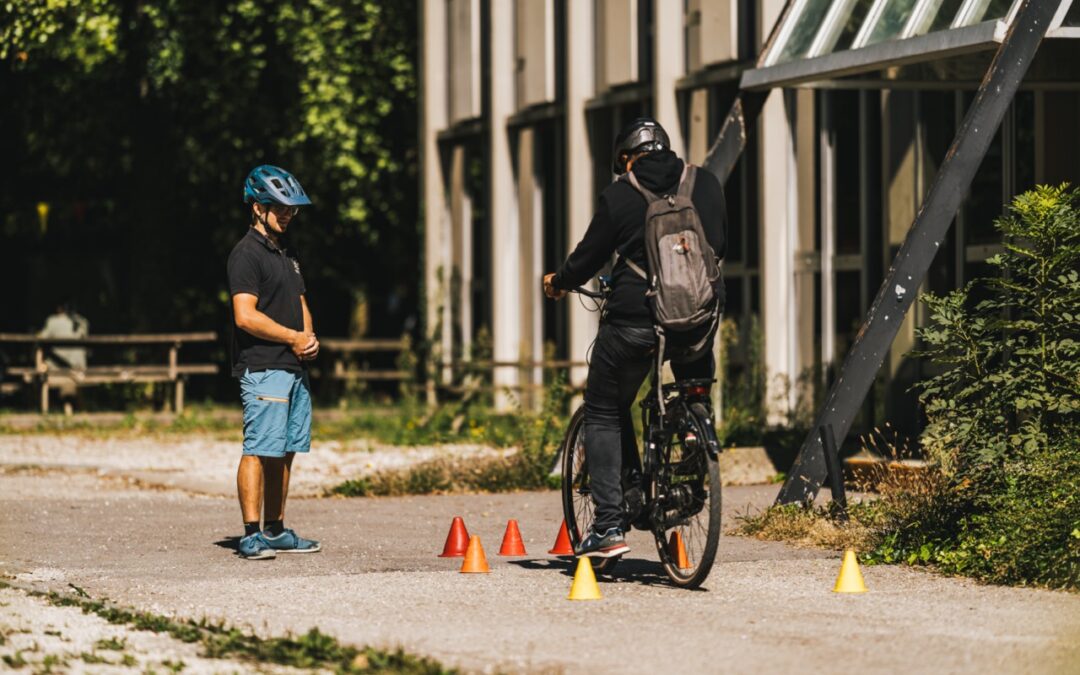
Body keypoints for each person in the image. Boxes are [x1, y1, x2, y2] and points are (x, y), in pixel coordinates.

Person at [543, 117, 727, 558]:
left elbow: (588, 257)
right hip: (697, 318)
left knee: (604, 407)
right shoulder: (705, 183)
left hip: (635, 322)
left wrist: (560, 281)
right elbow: (718, 245)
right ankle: (690, 453)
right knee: (692, 387)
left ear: (627, 158)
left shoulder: (621, 193)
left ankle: (607, 526)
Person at [227, 165, 322, 560]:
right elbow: (244, 316)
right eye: (278, 207)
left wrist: (308, 338)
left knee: (285, 450)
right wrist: (292, 337)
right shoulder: (245, 254)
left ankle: (277, 529)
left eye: (291, 209)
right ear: (256, 207)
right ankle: (251, 534)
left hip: (292, 366)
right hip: (263, 365)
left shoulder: (287, 252)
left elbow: (299, 302)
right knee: (258, 448)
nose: (286, 215)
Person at [38, 300, 89, 415]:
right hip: (79, 370)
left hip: (57, 370)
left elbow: (41, 340)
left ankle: (47, 409)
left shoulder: (52, 321)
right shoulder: (82, 323)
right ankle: (78, 410)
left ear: (58, 308)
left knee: (44, 366)